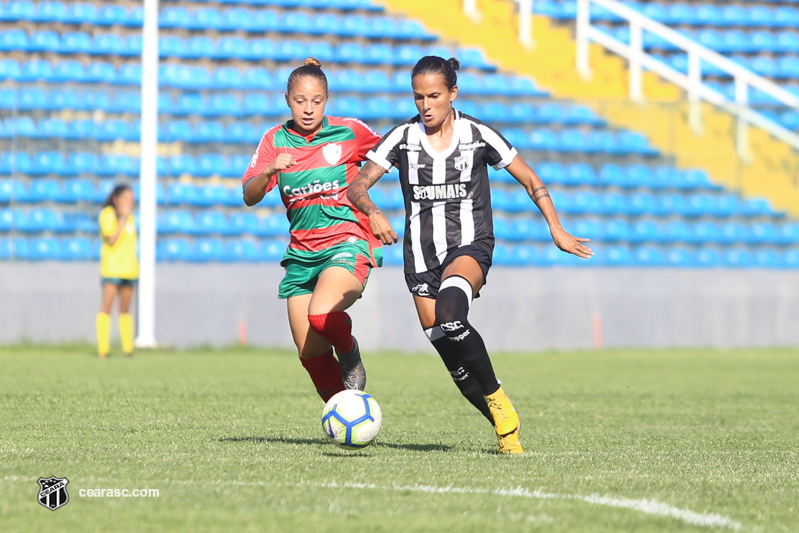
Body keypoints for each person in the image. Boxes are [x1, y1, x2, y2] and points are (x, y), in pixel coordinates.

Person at [347, 56, 593, 454]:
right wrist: (373, 211)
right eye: (418, 97)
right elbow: (357, 186)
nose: (425, 105)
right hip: (421, 258)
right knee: (452, 358)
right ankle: (505, 429)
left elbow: (531, 180)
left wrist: (556, 227)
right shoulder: (402, 138)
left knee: (450, 315)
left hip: (470, 246)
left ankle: (497, 396)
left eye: (434, 96)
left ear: (452, 94)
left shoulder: (477, 135)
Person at [242, 57, 384, 402]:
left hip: (345, 242)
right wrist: (269, 171)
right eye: (300, 101)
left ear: (327, 99)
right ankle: (346, 417)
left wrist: (374, 207)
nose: (308, 109)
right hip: (302, 254)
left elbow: (392, 152)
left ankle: (349, 350)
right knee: (310, 354)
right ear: (287, 99)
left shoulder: (349, 132)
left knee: (321, 316)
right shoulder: (275, 139)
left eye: (316, 101)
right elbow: (249, 196)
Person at [96, 183, 139, 359]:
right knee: (107, 307)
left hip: (130, 270)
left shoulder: (131, 218)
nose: (130, 202)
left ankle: (128, 349)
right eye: (126, 199)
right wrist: (121, 219)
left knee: (125, 309)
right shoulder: (107, 215)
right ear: (116, 200)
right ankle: (103, 349)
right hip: (112, 269)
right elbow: (112, 239)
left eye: (131, 199)